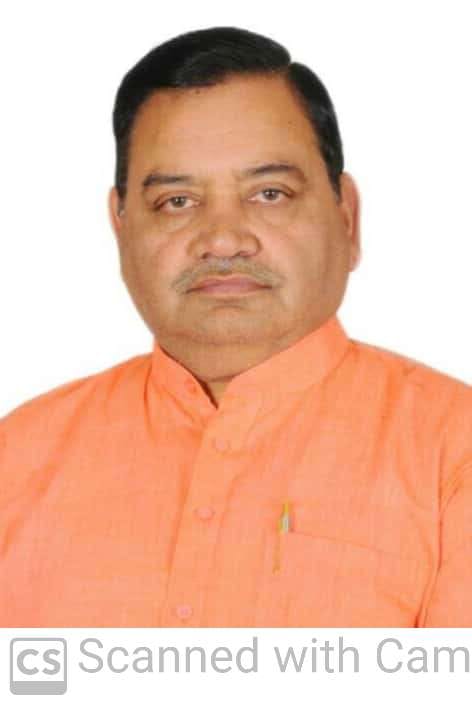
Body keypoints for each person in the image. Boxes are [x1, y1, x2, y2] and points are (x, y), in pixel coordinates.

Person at [0, 26, 470, 628]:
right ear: (121, 228)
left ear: (347, 219)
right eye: (177, 201)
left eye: (269, 193)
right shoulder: (19, 457)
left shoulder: (453, 455)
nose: (222, 239)